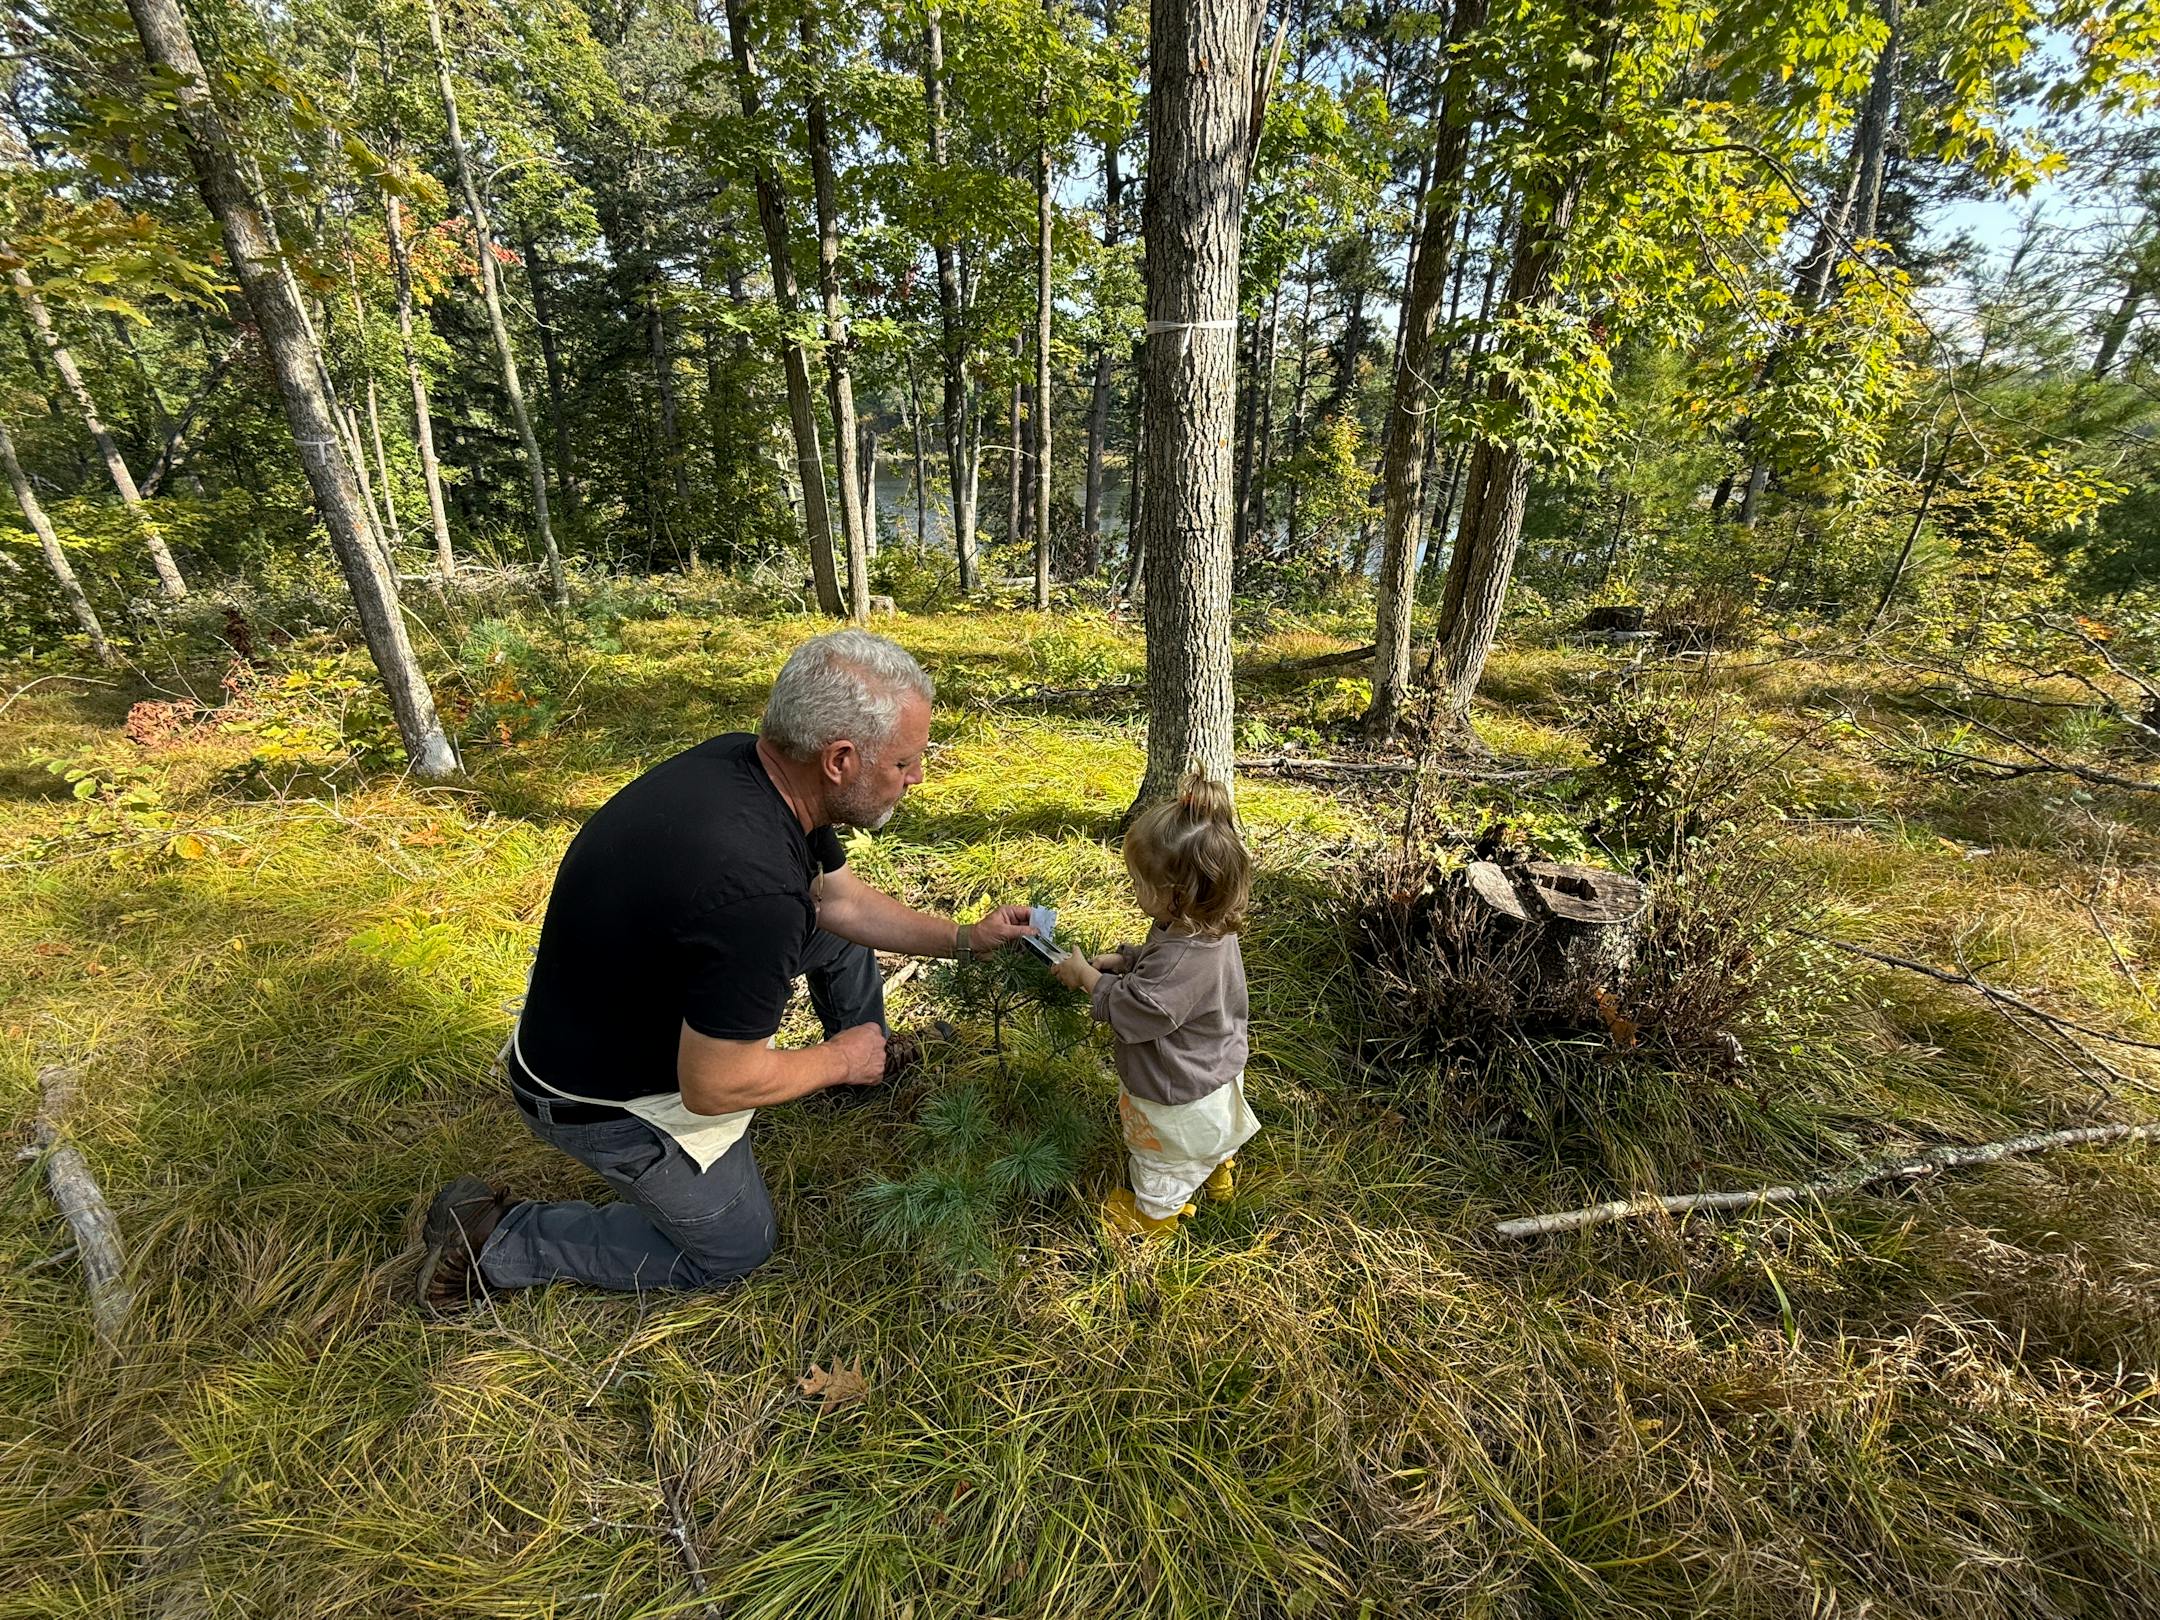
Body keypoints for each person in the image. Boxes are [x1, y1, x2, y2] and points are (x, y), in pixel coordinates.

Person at [415, 630, 1035, 1309]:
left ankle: (867, 1068)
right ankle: (493, 1243)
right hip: (592, 1101)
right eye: (906, 762)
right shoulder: (754, 892)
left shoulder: (752, 766)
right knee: (733, 1246)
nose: (917, 778)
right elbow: (713, 1086)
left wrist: (965, 938)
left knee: (835, 935)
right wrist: (835, 1059)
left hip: (606, 1012)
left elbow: (840, 902)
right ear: (840, 759)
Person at [1050, 773, 1260, 1240]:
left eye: (1140, 885)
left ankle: (1155, 1217)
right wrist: (1126, 959)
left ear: (1175, 896)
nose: (1135, 892)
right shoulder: (1206, 927)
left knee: (1162, 1155)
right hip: (1215, 1066)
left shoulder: (1181, 953)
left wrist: (1088, 978)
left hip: (1176, 1086)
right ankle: (1218, 1173)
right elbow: (1168, 973)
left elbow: (1138, 1009)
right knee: (1213, 1132)